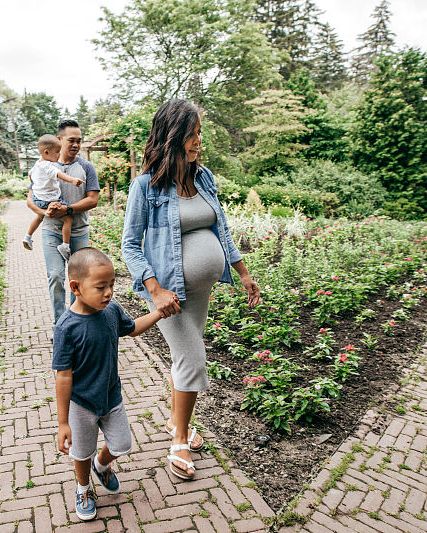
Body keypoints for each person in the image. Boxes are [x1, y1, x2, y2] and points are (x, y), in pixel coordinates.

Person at [121, 99, 261, 480]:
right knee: (193, 359)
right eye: (194, 133)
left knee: (184, 359)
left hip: (200, 291)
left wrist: (243, 272)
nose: (200, 140)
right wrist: (155, 288)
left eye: (200, 133)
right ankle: (179, 439)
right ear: (174, 136)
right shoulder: (145, 186)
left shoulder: (204, 178)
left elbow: (222, 230)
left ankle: (173, 422)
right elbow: (130, 244)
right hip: (168, 294)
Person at [53, 247, 163, 521]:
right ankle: (83, 487)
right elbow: (63, 376)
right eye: (101, 286)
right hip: (81, 403)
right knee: (81, 452)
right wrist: (62, 422)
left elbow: (133, 328)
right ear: (76, 287)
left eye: (112, 285)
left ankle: (101, 466)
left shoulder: (111, 310)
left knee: (122, 444)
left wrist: (159, 313)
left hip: (111, 397)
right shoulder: (67, 327)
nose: (109, 292)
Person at [27, 119, 100, 324]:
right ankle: (60, 324)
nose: (76, 144)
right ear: (59, 139)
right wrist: (45, 212)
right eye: (71, 140)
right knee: (56, 277)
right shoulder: (44, 166)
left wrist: (67, 209)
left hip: (78, 232)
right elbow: (30, 199)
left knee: (79, 281)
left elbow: (93, 199)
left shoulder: (86, 167)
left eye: (79, 140)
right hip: (51, 231)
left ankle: (75, 320)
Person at [22, 134, 86, 259]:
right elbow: (59, 174)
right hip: (50, 200)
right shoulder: (48, 165)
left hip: (38, 198)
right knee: (68, 219)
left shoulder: (36, 165)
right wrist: (72, 180)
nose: (59, 155)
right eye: (57, 152)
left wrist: (39, 186)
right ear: (46, 152)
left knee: (40, 216)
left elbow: (30, 177)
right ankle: (65, 245)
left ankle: (28, 236)